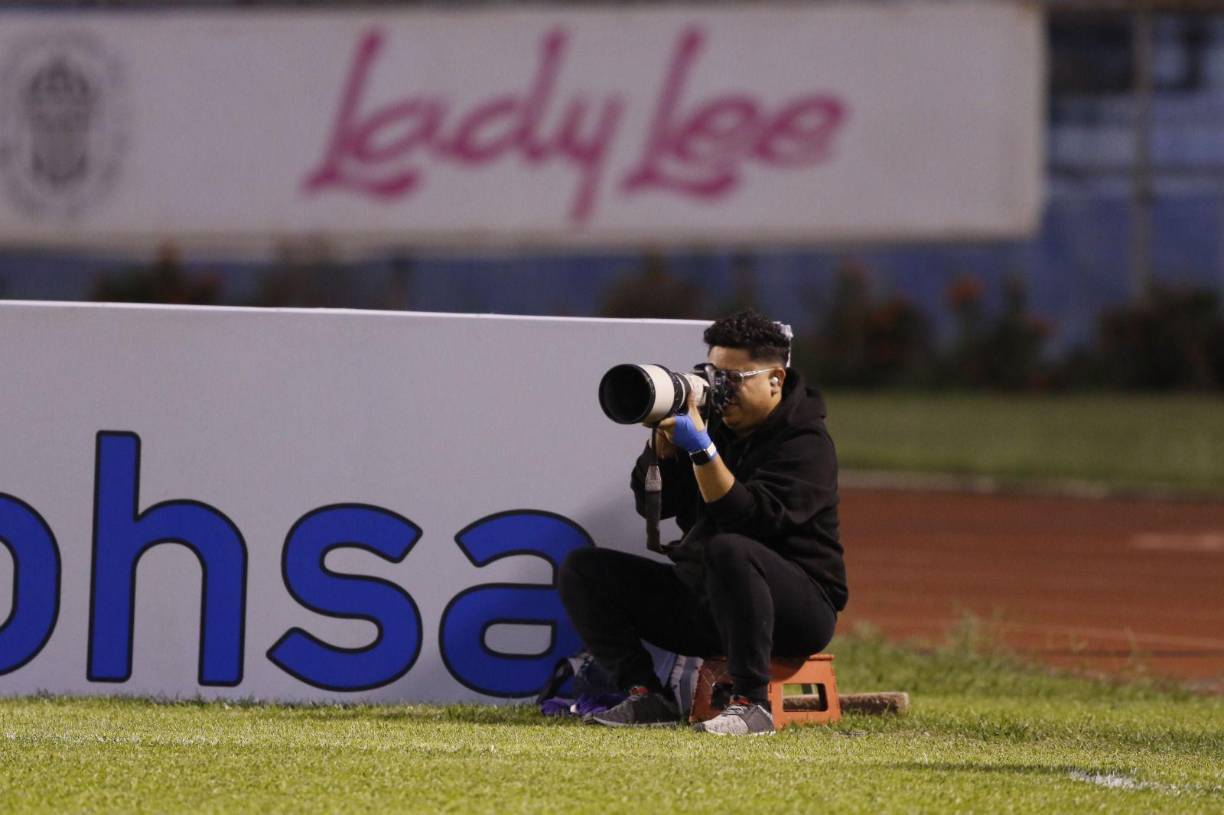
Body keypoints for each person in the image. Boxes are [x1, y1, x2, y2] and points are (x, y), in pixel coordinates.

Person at [559, 310, 847, 736]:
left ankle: (753, 705)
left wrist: (703, 451)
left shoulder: (806, 443)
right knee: (584, 570)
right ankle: (645, 696)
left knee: (728, 547)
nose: (721, 391)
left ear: (775, 380)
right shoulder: (714, 425)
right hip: (714, 599)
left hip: (798, 610)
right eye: (715, 375)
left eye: (735, 380)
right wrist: (663, 451)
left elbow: (749, 520)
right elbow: (652, 506)